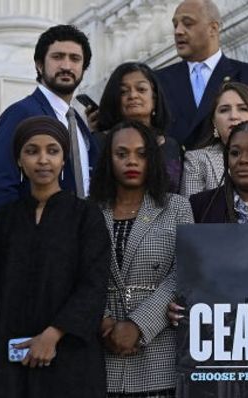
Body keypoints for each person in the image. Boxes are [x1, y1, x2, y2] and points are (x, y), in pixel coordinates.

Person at [0, 116, 111, 397]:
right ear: (18, 160)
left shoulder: (85, 215)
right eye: (32, 151)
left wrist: (53, 335)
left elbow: (94, 284)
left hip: (70, 356)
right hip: (12, 357)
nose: (43, 160)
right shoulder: (4, 219)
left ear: (64, 159)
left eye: (52, 151)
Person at [89, 121, 193, 398]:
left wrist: (138, 325)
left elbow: (184, 272)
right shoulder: (88, 211)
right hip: (100, 353)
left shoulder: (177, 207)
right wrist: (104, 322)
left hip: (158, 354)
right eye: (121, 154)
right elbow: (76, 273)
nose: (131, 161)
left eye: (141, 153)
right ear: (108, 160)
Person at [0, 24, 99, 208]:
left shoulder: (78, 122)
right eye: (57, 57)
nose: (66, 66)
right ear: (39, 65)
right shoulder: (21, 112)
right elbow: (1, 184)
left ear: (83, 68)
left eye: (75, 59)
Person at [156, 0, 248, 147]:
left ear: (213, 28)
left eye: (188, 23)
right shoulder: (158, 81)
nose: (178, 31)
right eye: (175, 24)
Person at [96, 62, 183, 193]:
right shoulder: (98, 142)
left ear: (154, 98)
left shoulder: (170, 145)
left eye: (141, 89)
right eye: (123, 91)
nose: (132, 96)